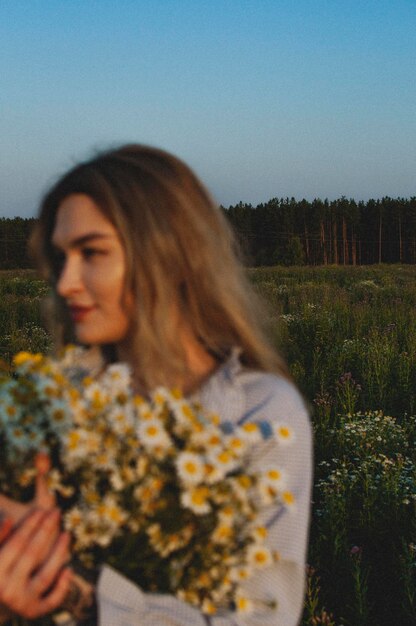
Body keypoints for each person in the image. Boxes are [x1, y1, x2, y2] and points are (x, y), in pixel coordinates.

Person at [1, 144, 313, 625]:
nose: (65, 283)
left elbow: (258, 619)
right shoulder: (56, 400)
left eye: (92, 253)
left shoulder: (261, 413)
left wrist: (76, 591)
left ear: (168, 254)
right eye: (61, 257)